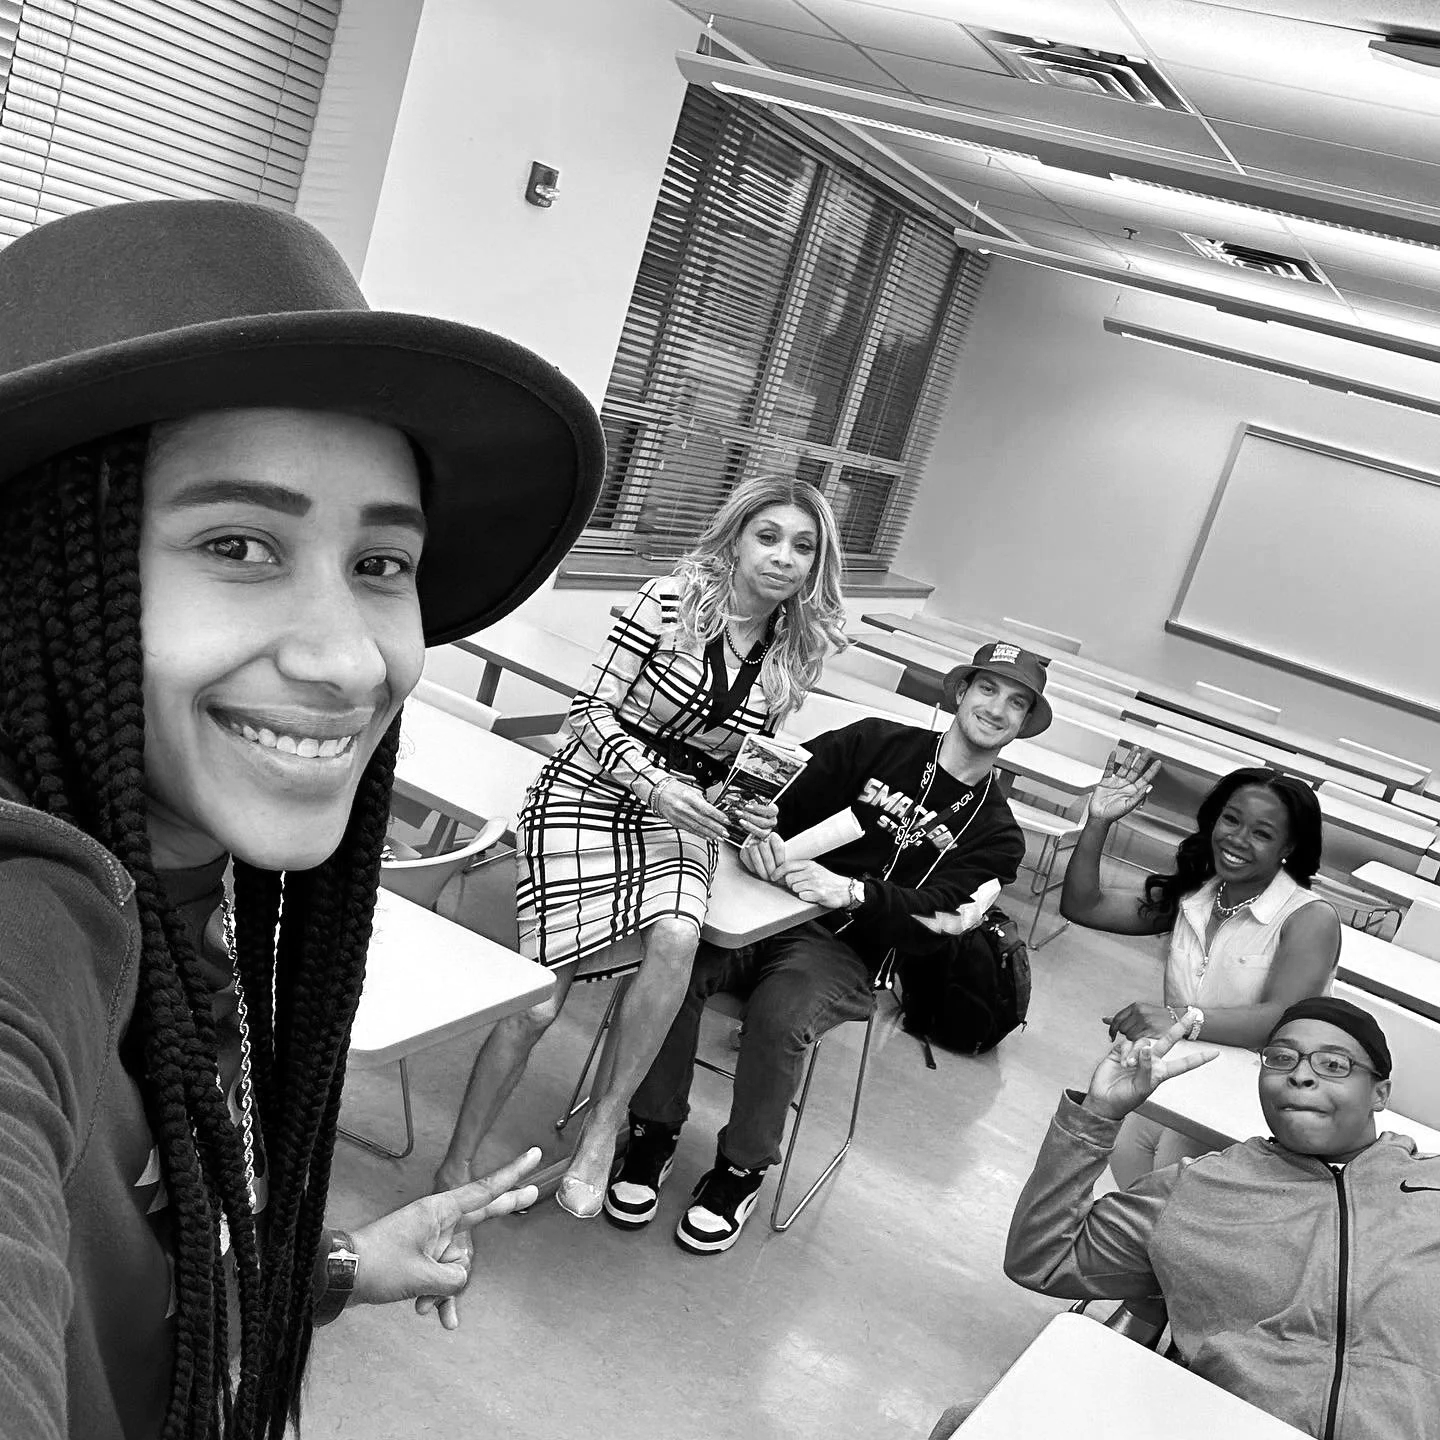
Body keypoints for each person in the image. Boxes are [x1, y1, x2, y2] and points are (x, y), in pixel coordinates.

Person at [0, 198, 604, 1440]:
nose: (348, 659)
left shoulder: (171, 881)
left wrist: (330, 1270)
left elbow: (135, 1239)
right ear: (36, 573)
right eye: (238, 542)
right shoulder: (30, 915)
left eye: (381, 564)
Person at [433, 477, 848, 1219]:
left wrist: (749, 805)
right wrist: (653, 785)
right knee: (535, 1005)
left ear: (817, 566)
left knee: (680, 932)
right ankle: (455, 1167)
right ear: (737, 537)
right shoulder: (665, 601)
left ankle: (604, 1124)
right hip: (591, 789)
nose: (784, 557)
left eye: (803, 546)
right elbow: (586, 713)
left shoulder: (793, 655)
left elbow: (739, 758)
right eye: (770, 536)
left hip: (685, 819)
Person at [607, 641, 1045, 1253]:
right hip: (758, 907)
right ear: (961, 693)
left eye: (1017, 703)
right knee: (670, 966)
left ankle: (741, 1168)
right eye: (989, 689)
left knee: (781, 1014)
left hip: (846, 952)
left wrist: (853, 893)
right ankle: (652, 1130)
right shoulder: (875, 742)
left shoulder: (998, 834)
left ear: (1025, 725)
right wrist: (760, 826)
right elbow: (777, 793)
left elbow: (944, 916)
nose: (997, 708)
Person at [1002, 999, 1440, 1440]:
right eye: (1281, 1058)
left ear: (1379, 1093)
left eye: (1333, 1064)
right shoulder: (1198, 1189)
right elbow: (1043, 1258)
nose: (1301, 1075)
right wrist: (1097, 1115)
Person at [1060, 757, 1340, 1184]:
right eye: (1231, 820)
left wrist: (1179, 1019)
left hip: (1248, 1107)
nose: (1238, 839)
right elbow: (1084, 905)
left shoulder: (1309, 918)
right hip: (1179, 1085)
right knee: (1136, 1195)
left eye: (1262, 834)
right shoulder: (1198, 894)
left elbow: (1284, 1018)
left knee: (1168, 1208)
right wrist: (1097, 822)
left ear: (1288, 848)